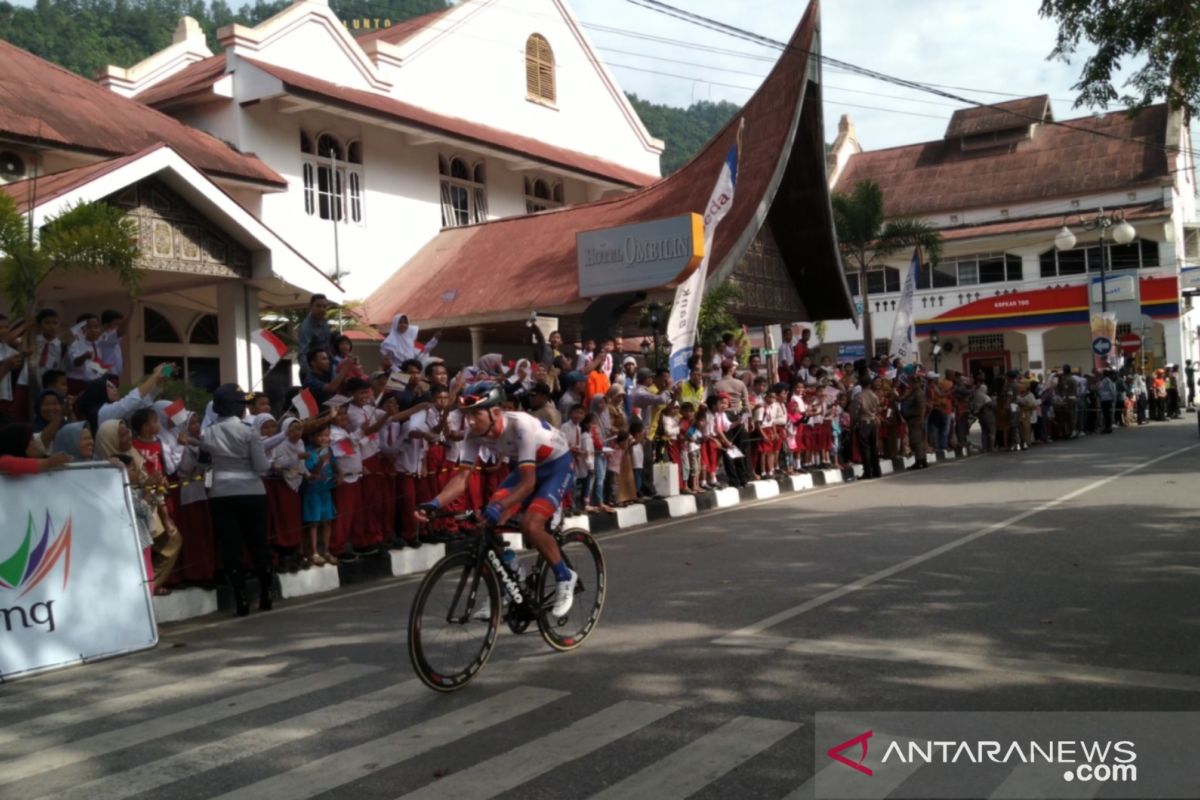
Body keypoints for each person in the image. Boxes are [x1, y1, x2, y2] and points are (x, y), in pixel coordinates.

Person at [415, 382, 580, 617]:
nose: (470, 422)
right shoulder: (474, 435)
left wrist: (499, 506)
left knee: (531, 525)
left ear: (494, 412)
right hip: (528, 468)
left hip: (556, 466)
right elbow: (462, 477)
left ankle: (565, 576)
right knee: (486, 523)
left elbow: (528, 484)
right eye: (467, 416)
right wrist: (434, 503)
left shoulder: (521, 425)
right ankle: (510, 577)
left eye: (475, 415)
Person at [200, 384, 273, 616]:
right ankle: (266, 595)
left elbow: (203, 464)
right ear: (233, 406)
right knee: (258, 543)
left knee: (231, 548)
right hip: (252, 490)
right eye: (241, 403)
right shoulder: (249, 431)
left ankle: (240, 600)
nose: (244, 407)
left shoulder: (207, 433)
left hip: (221, 492)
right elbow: (261, 467)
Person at [0, 422, 72, 474]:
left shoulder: (41, 457)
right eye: (31, 439)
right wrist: (48, 463)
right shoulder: (3, 460)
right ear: (17, 445)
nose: (36, 441)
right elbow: (11, 464)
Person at [297, 294, 332, 380]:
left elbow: (327, 347)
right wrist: (310, 375)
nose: (322, 309)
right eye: (318, 306)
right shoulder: (306, 327)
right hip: (311, 372)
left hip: (325, 369)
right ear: (311, 307)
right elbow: (302, 354)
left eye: (324, 306)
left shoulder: (324, 322)